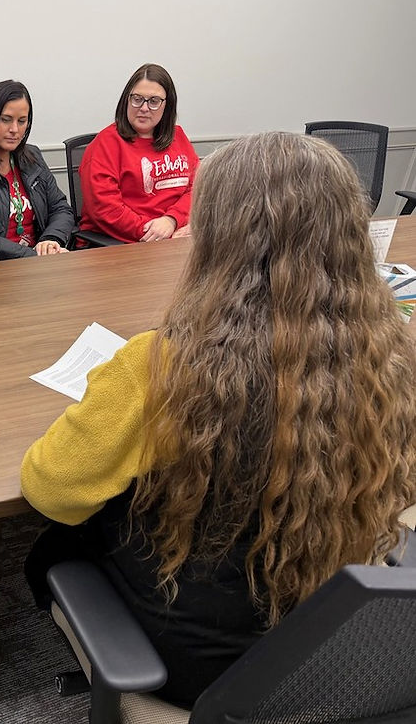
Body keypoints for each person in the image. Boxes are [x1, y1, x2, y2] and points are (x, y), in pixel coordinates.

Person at [21, 131, 416, 707]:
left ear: (218, 242)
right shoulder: (394, 360)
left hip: (198, 666)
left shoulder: (163, 366)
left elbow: (50, 490)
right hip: (336, 642)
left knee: (75, 528)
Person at [78, 63, 198, 243]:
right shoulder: (105, 145)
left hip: (174, 236)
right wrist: (158, 233)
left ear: (168, 105)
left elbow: (198, 188)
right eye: (137, 98)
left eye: (154, 101)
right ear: (126, 99)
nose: (144, 108)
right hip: (121, 244)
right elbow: (106, 210)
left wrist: (172, 220)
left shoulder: (178, 137)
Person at [0, 80, 73, 259]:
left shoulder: (32, 157)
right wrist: (34, 255)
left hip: (39, 261)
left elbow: (61, 208)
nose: (14, 129)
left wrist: (51, 240)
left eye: (22, 121)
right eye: (6, 120)